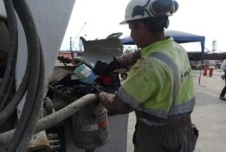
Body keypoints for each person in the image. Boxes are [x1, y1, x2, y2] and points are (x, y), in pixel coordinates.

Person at [94, 0, 199, 151]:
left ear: (142, 27)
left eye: (131, 29)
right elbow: (141, 52)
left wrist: (98, 93)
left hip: (158, 139)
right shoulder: (176, 49)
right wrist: (116, 63)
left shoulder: (148, 68)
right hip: (185, 132)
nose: (131, 34)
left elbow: (119, 105)